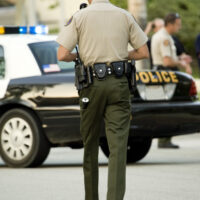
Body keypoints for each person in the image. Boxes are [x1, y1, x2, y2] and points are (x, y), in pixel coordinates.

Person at [56, 0, 149, 200]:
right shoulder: (124, 15)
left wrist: (78, 56)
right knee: (118, 148)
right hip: (119, 86)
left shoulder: (80, 17)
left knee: (90, 145)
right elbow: (143, 52)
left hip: (91, 86)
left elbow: (62, 54)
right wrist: (123, 55)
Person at [151, 13, 192, 149]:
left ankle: (165, 138)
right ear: (170, 24)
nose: (179, 28)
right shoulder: (164, 38)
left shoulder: (164, 36)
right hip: (165, 73)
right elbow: (167, 61)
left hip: (162, 73)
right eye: (178, 25)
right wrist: (181, 62)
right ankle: (164, 139)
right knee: (167, 106)